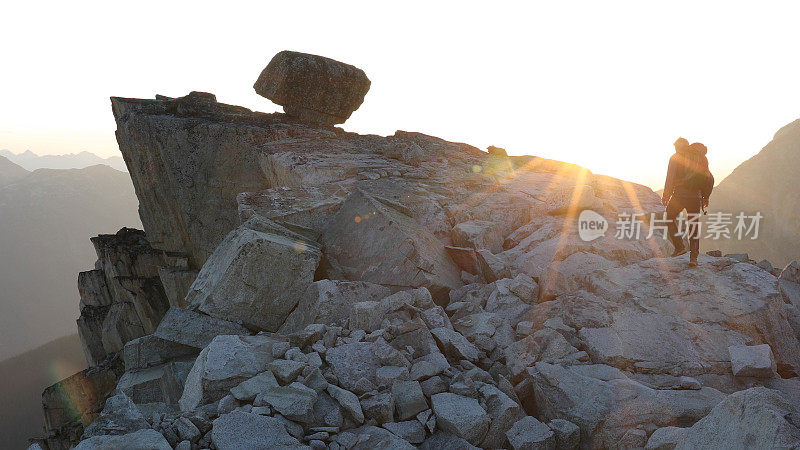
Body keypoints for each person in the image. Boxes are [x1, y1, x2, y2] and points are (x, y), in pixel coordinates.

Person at [662, 138, 713, 267]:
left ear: (678, 146)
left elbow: (670, 177)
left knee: (669, 217)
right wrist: (705, 197)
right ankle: (693, 258)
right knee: (694, 226)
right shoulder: (701, 158)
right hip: (695, 197)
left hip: (679, 195)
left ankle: (679, 247)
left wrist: (666, 195)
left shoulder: (676, 157)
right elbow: (709, 178)